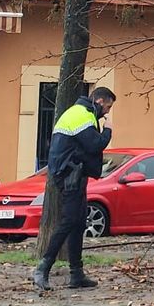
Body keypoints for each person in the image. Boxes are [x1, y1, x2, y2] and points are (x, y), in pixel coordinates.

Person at [31, 86, 116, 291]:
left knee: (78, 222)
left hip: (75, 174)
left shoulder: (80, 113)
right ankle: (43, 268)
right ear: (99, 101)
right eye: (108, 106)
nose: (107, 112)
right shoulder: (81, 115)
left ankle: (76, 274)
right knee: (70, 221)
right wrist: (108, 130)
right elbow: (95, 145)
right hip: (71, 175)